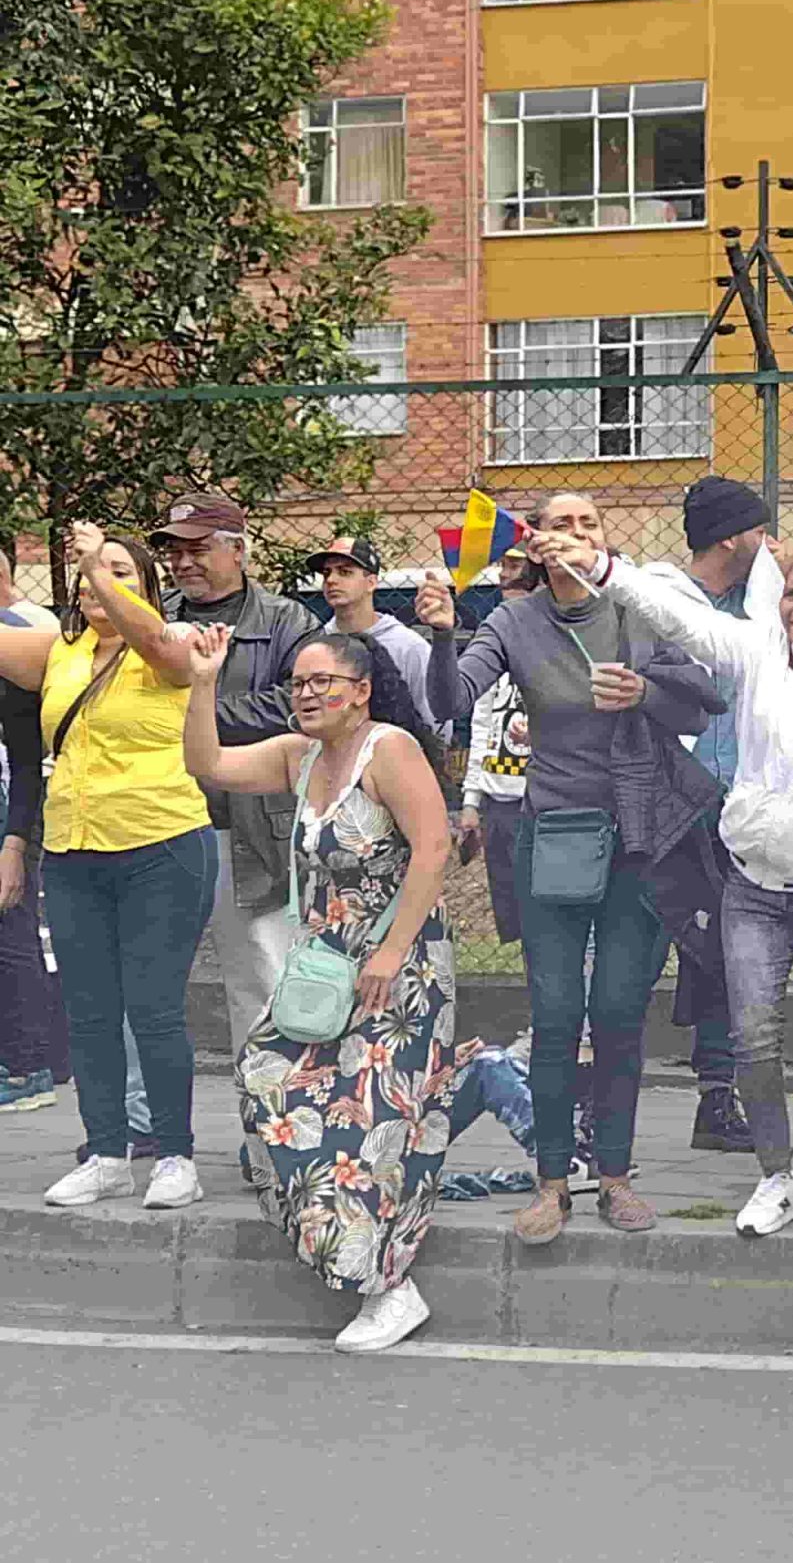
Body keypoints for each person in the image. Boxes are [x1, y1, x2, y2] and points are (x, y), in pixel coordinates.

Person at [568, 534, 793, 1241]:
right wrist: (603, 566)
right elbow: (680, 619)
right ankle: (777, 1178)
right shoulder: (757, 656)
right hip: (753, 886)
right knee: (754, 1039)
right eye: (792, 593)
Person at [417, 491, 727, 1245]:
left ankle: (615, 1179)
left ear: (601, 542)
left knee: (620, 1011)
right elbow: (451, 698)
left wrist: (647, 692)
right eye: (560, 525)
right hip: (553, 833)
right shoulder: (516, 620)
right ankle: (552, 1183)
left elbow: (704, 702)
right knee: (556, 1017)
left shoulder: (637, 606)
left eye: (589, 523)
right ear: (534, 545)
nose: (574, 536)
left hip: (640, 837)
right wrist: (440, 637)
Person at [193, 626, 456, 1352]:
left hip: (397, 967)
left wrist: (392, 951)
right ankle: (351, 1253)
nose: (306, 696)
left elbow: (435, 848)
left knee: (361, 1127)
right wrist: (204, 680)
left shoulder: (390, 751)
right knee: (267, 1082)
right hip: (327, 964)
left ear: (360, 690)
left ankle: (386, 1289)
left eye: (321, 683)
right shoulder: (297, 757)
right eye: (298, 685)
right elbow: (205, 761)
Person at [0, 526, 218, 1211]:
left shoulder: (177, 644)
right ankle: (105, 1152)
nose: (101, 582)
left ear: (148, 589)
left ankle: (177, 1155)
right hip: (72, 850)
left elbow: (154, 643)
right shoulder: (59, 652)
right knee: (90, 1013)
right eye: (95, 571)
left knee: (152, 1010)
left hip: (162, 843)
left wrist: (96, 562)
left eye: (123, 572)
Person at [636, 474, 793, 1159]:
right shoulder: (661, 601)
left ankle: (718, 1101)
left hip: (740, 807)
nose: (771, 542)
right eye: (760, 529)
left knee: (725, 964)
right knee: (639, 957)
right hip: (668, 809)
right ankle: (593, 1112)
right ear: (733, 536)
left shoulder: (768, 605)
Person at [148, 494, 314, 1058]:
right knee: (148, 983)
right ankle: (149, 1122)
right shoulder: (153, 619)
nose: (183, 562)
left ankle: (271, 1133)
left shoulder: (289, 620)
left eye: (197, 548)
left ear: (238, 551)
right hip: (158, 821)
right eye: (173, 552)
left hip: (245, 828)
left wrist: (196, 714)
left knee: (261, 981)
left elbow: (300, 706)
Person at [0, 540, 62, 1115]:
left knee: (12, 931)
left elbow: (24, 746)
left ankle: (29, 1064)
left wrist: (16, 836)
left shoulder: (26, 629)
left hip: (13, 796)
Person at [458, 550, 540, 947]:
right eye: (502, 564)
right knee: (516, 919)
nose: (504, 573)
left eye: (514, 563)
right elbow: (481, 722)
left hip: (545, 799)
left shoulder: (555, 637)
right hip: (499, 800)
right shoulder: (492, 640)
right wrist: (472, 799)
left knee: (552, 917)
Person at [304, 536, 431, 703]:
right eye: (327, 573)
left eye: (345, 572)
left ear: (371, 583)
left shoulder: (408, 647)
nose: (331, 580)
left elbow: (432, 720)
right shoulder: (315, 644)